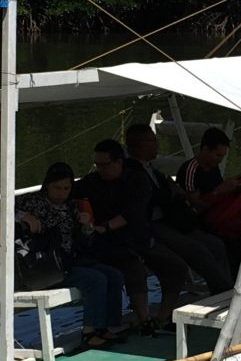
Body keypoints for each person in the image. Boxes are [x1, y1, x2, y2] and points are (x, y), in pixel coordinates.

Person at [77, 138, 192, 330]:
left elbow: (133, 213)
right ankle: (144, 318)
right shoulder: (89, 183)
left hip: (138, 238)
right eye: (98, 165)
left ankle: (163, 316)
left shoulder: (137, 180)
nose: (101, 169)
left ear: (119, 162)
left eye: (106, 165)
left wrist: (105, 226)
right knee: (133, 265)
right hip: (108, 244)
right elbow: (69, 196)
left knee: (176, 266)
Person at [15, 162, 126, 349]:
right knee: (95, 279)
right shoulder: (33, 201)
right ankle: (89, 333)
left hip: (70, 260)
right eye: (56, 187)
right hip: (46, 267)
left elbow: (85, 241)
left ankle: (105, 327)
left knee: (114, 275)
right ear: (47, 185)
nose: (61, 192)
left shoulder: (71, 206)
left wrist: (86, 227)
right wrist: (24, 216)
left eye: (66, 188)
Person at [123, 123, 233, 293]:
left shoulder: (151, 170)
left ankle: (224, 290)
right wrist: (171, 193)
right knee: (198, 251)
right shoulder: (132, 172)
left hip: (172, 220)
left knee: (216, 244)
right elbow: (144, 202)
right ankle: (227, 294)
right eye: (153, 140)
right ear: (141, 144)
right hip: (153, 224)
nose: (157, 143)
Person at [178, 127, 241, 257]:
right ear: (205, 150)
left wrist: (235, 187)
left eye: (223, 156)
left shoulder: (213, 168)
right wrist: (219, 191)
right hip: (200, 224)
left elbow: (219, 192)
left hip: (218, 220)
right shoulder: (191, 170)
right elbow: (195, 207)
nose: (220, 159)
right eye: (218, 155)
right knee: (228, 247)